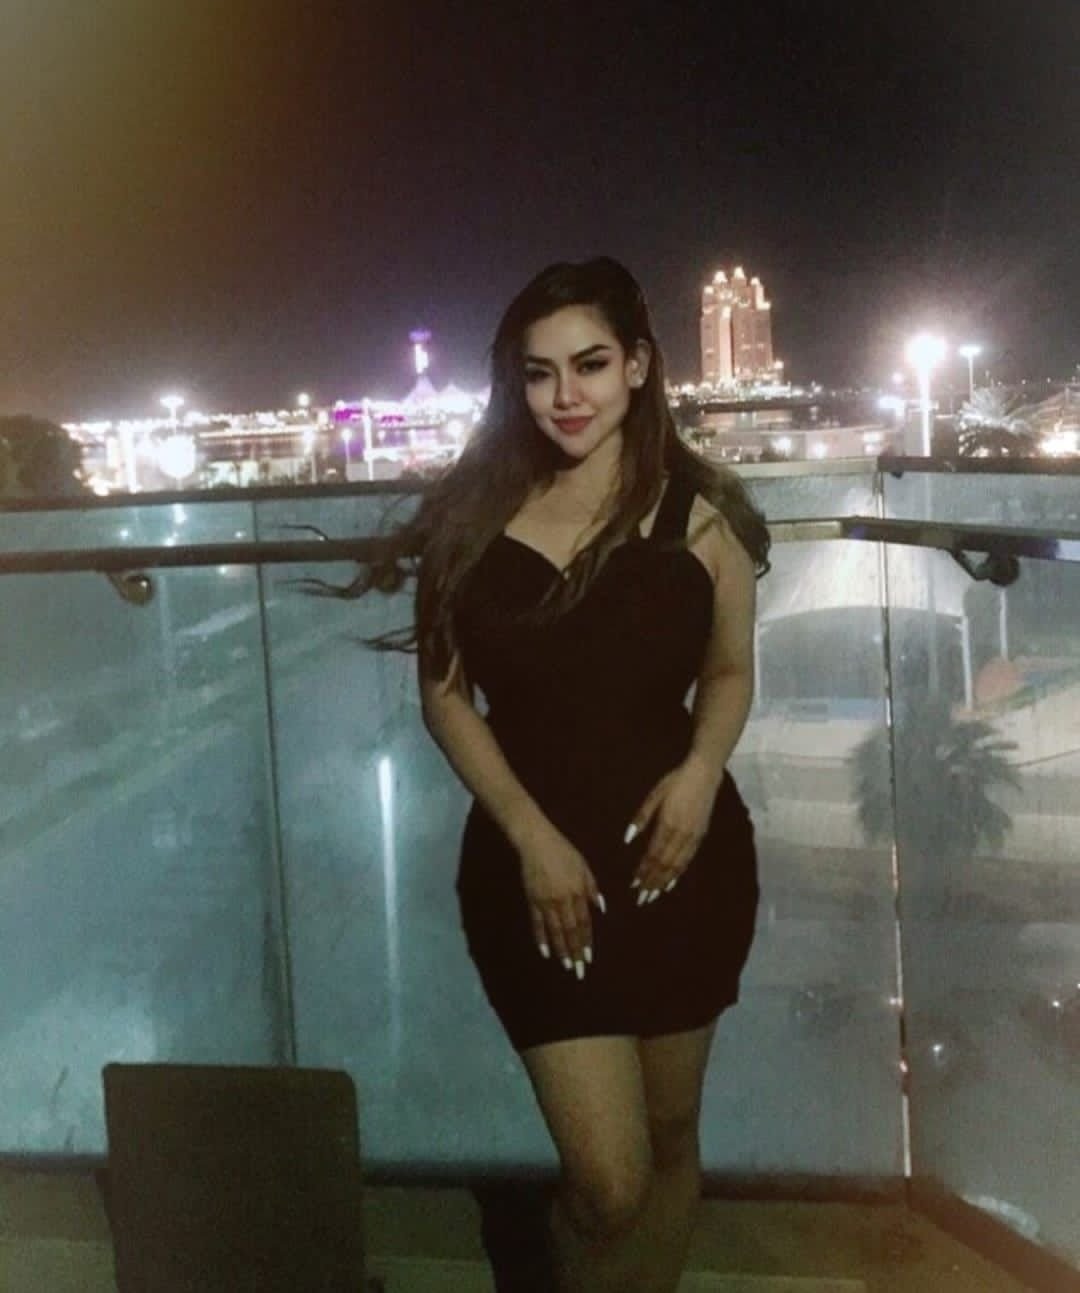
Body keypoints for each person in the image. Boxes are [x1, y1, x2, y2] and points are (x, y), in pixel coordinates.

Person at [354, 257, 769, 1292]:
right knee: (610, 1181)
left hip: (681, 859)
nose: (565, 395)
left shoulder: (702, 518)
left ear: (638, 367)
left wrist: (700, 773)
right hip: (535, 876)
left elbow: (729, 670)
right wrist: (529, 833)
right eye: (539, 373)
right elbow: (446, 697)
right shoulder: (472, 519)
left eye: (589, 364)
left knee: (671, 1137)